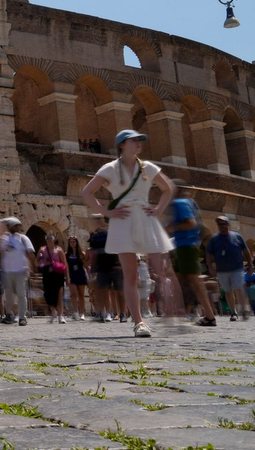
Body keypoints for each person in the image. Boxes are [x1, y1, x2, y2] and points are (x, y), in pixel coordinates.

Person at [81, 129, 176, 338]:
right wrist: (106, 212)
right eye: (134, 140)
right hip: (122, 220)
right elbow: (87, 192)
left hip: (145, 217)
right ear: (122, 145)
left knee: (161, 270)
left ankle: (172, 314)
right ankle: (139, 322)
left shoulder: (148, 167)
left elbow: (167, 188)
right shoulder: (110, 168)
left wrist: (159, 209)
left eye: (140, 140)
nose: (139, 143)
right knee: (130, 274)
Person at [166, 182, 217, 326]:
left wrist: (171, 227)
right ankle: (190, 311)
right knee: (182, 279)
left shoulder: (179, 203)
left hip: (186, 246)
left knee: (195, 281)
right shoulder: (188, 202)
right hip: (187, 246)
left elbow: (191, 223)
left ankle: (208, 315)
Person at [206, 216, 252, 321]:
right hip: (222, 270)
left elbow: (246, 251)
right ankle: (233, 312)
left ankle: (244, 309)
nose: (222, 226)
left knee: (239, 287)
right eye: (220, 224)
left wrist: (250, 265)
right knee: (228, 291)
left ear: (228, 224)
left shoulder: (237, 236)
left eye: (224, 224)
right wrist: (210, 267)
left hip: (237, 268)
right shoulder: (214, 239)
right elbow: (208, 254)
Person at [0, 218, 35, 325]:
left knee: (21, 294)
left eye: (16, 225)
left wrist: (32, 266)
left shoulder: (23, 238)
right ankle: (9, 315)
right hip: (7, 271)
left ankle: (22, 317)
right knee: (9, 295)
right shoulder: (4, 239)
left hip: (21, 270)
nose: (15, 227)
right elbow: (0, 253)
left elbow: (30, 252)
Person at [87, 214, 121, 322]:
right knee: (102, 290)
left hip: (113, 264)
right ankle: (104, 312)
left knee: (117, 291)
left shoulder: (111, 233)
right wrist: (93, 269)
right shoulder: (94, 236)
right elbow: (94, 254)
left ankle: (119, 312)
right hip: (101, 266)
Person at [37, 236, 68, 324]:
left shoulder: (59, 250)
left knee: (59, 294)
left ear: (54, 239)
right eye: (47, 238)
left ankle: (61, 316)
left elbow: (65, 264)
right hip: (47, 274)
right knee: (48, 294)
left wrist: (68, 277)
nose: (49, 239)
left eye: (51, 238)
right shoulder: (42, 250)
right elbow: (38, 263)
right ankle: (53, 312)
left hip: (58, 274)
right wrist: (44, 263)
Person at [65, 235, 89, 321]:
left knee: (81, 294)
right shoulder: (67, 255)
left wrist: (89, 276)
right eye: (70, 242)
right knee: (74, 294)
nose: (72, 243)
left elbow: (86, 266)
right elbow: (66, 267)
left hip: (80, 274)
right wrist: (67, 278)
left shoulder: (82, 254)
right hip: (71, 275)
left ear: (76, 242)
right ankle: (75, 312)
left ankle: (82, 313)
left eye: (73, 242)